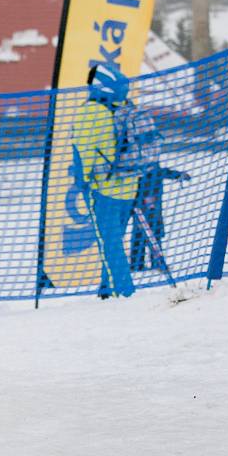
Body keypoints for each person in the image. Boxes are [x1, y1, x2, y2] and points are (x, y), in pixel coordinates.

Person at [71, 65, 138, 299]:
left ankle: (123, 292)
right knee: (115, 239)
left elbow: (83, 150)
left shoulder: (90, 111)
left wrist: (82, 179)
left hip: (103, 188)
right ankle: (107, 289)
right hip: (130, 186)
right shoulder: (126, 106)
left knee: (109, 244)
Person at [120, 103, 191, 270]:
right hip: (142, 191)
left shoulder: (146, 143)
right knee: (142, 227)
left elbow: (158, 170)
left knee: (152, 227)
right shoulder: (134, 142)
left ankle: (150, 262)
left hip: (152, 190)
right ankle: (138, 264)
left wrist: (176, 174)